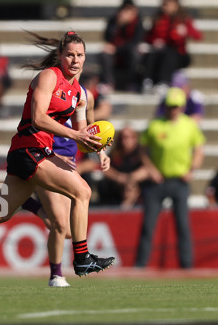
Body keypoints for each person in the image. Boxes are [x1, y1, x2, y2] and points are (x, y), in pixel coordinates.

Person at [0, 31, 116, 284]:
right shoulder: (49, 76)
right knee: (82, 192)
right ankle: (82, 258)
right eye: (70, 54)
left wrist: (99, 149)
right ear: (60, 56)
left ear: (85, 58)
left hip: (35, 153)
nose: (75, 60)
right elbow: (39, 118)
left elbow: (84, 137)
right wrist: (76, 135)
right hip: (29, 150)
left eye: (80, 55)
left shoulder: (78, 93)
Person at [34, 75, 111, 288]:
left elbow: (91, 130)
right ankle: (56, 275)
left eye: (79, 56)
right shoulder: (51, 89)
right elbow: (37, 119)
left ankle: (32, 206)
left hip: (69, 162)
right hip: (46, 156)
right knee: (59, 222)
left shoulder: (86, 96)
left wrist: (101, 153)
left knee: (66, 230)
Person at [135, 87, 205, 269]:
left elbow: (199, 149)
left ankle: (186, 265)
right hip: (157, 180)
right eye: (169, 106)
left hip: (179, 180)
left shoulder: (189, 125)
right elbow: (142, 149)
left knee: (183, 224)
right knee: (148, 224)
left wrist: (192, 170)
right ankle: (140, 265)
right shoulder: (155, 124)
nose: (172, 109)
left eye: (175, 106)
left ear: (181, 107)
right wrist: (150, 169)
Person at [141, 0, 202, 94]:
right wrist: (155, 42)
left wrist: (185, 32)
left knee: (170, 54)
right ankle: (147, 81)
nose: (165, 7)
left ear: (176, 5)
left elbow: (198, 36)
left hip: (179, 54)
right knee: (152, 54)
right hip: (160, 52)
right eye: (164, 4)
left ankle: (164, 82)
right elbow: (148, 37)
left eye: (168, 4)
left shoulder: (184, 19)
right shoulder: (158, 18)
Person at [98, 125, 149, 208]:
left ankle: (127, 205)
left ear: (134, 138)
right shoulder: (115, 154)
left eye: (127, 137)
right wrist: (120, 178)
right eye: (122, 138)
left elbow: (148, 170)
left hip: (138, 189)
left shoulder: (141, 153)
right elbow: (105, 169)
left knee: (132, 188)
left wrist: (130, 179)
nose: (124, 141)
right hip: (117, 188)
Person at [98, 0, 144, 92]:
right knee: (104, 54)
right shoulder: (113, 21)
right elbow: (107, 38)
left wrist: (116, 49)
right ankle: (108, 82)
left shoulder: (138, 23)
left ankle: (131, 82)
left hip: (127, 53)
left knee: (133, 53)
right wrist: (118, 25)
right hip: (115, 53)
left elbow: (135, 42)